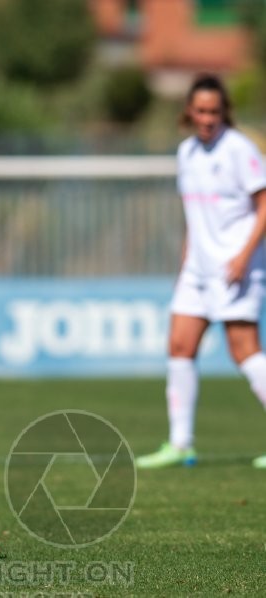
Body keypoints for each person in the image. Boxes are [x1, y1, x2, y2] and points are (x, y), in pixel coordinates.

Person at [137, 74, 266, 470]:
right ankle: (181, 444)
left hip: (235, 266)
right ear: (189, 111)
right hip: (198, 268)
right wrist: (185, 265)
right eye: (201, 110)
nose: (207, 118)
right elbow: (195, 218)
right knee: (179, 345)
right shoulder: (187, 153)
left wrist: (244, 256)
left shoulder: (239, 150)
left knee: (243, 349)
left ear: (223, 111)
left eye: (214, 111)